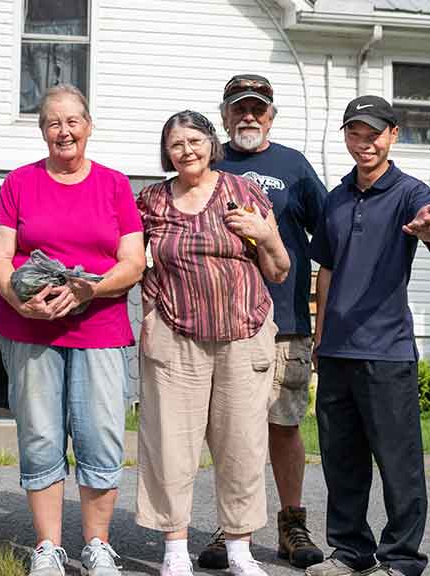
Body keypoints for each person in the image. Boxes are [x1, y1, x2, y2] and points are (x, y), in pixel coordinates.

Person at [0, 85, 144, 576]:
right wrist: (20, 300)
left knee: (100, 435)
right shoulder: (19, 183)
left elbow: (133, 262)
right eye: (53, 123)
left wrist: (87, 292)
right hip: (29, 328)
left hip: (99, 325)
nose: (64, 131)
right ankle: (48, 547)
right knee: (40, 434)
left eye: (73, 121)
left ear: (89, 126)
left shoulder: (115, 185)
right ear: (42, 131)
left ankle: (97, 544)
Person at [136, 111, 290, 576]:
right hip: (175, 336)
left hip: (243, 334)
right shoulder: (150, 201)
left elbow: (279, 269)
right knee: (170, 444)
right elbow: (129, 259)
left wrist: (264, 235)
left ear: (212, 143)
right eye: (176, 143)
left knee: (242, 444)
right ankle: (175, 550)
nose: (187, 150)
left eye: (195, 139)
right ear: (167, 151)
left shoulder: (244, 194)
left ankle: (240, 550)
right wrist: (146, 315)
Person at [305, 96, 430, 576]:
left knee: (398, 462)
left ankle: (402, 559)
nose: (364, 143)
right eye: (355, 134)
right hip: (337, 349)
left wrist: (428, 229)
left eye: (373, 134)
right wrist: (321, 337)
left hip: (386, 351)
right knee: (342, 463)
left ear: (393, 135)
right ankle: (349, 553)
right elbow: (326, 268)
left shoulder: (409, 191)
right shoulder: (337, 197)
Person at [198, 75, 326, 570]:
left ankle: (292, 524)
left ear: (271, 116)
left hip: (285, 318)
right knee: (228, 430)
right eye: (239, 109)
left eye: (258, 109)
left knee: (283, 425)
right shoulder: (210, 164)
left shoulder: (293, 166)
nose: (249, 117)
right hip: (222, 320)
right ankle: (230, 526)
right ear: (225, 115)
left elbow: (330, 234)